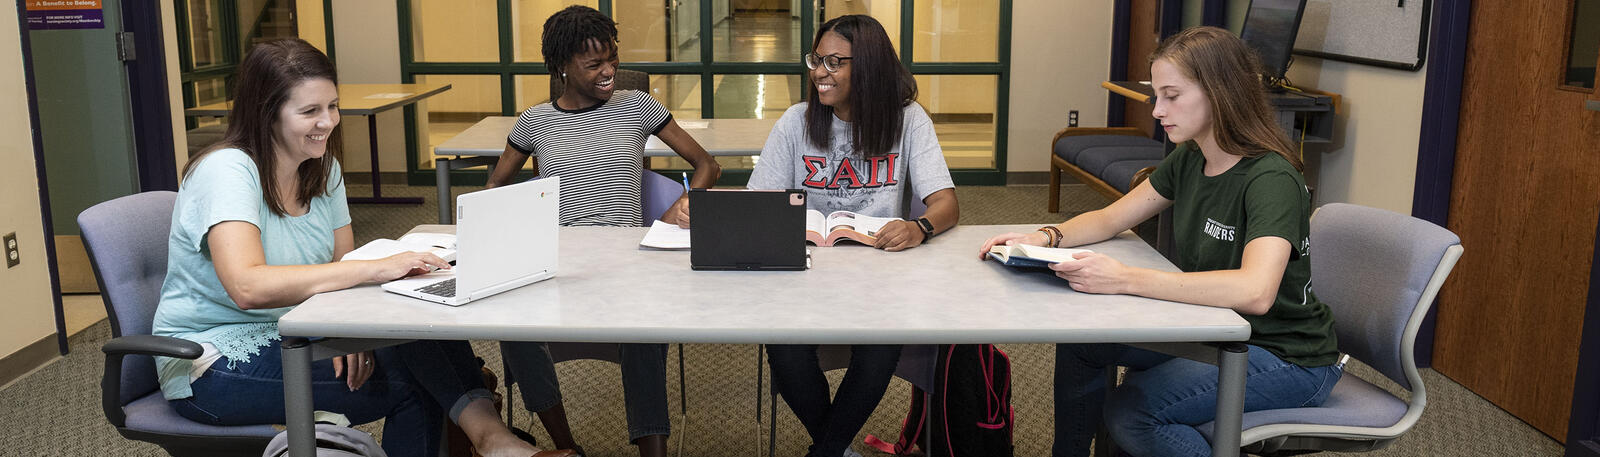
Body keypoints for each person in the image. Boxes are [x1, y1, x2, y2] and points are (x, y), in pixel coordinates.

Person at [151, 38, 568, 457]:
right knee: (413, 384)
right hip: (211, 363)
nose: (328, 122)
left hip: (303, 330)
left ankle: (495, 442)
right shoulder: (226, 170)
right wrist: (376, 270)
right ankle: (496, 442)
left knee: (418, 325)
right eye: (310, 111)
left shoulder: (322, 168)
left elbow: (341, 266)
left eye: (331, 106)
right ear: (267, 113)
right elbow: (248, 287)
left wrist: (352, 330)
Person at [977, 26, 1342, 457]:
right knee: (1083, 342)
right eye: (1157, 96)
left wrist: (1124, 279)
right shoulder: (1192, 156)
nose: (1157, 110)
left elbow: (1255, 292)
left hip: (1284, 355)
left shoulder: (1271, 179)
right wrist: (1044, 236)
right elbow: (1113, 217)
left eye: (1172, 96)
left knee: (1134, 413)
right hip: (1216, 330)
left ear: (1220, 93)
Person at [486, 6, 720, 457]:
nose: (609, 71)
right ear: (562, 68)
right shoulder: (534, 122)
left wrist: (682, 204)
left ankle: (653, 452)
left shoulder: (639, 106)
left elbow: (707, 164)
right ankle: (566, 448)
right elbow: (495, 186)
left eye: (612, 59)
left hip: (628, 263)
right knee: (512, 328)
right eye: (594, 64)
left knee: (645, 332)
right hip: (558, 265)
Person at [747, 15, 958, 457]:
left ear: (870, 67)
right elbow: (759, 203)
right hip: (805, 270)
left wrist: (919, 226)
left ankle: (825, 451)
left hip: (879, 271)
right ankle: (835, 450)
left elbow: (946, 205)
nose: (819, 72)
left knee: (880, 347)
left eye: (834, 62)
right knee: (783, 346)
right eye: (816, 60)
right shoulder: (795, 122)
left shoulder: (908, 120)